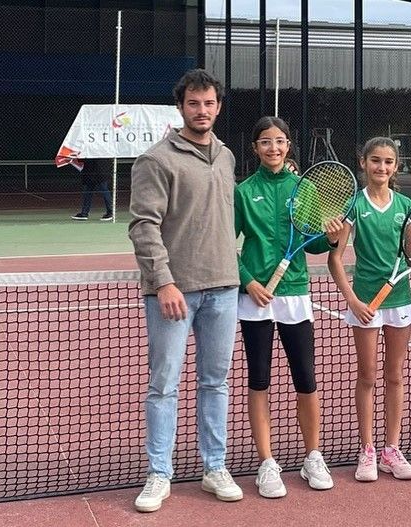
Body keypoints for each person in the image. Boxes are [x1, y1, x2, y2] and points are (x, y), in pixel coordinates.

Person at [129, 69, 242, 513]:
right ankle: (159, 473)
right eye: (193, 103)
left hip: (224, 289)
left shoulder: (228, 156)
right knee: (164, 386)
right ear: (181, 108)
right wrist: (165, 282)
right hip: (172, 295)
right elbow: (143, 226)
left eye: (209, 103)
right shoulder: (156, 160)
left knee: (216, 383)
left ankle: (215, 467)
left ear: (218, 106)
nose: (202, 111)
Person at [328, 137, 411, 482]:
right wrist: (352, 300)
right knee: (367, 376)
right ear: (364, 163)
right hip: (366, 302)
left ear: (396, 167)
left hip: (399, 301)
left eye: (388, 162)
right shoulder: (353, 206)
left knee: (394, 375)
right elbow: (335, 258)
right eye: (375, 161)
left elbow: (410, 257)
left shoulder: (405, 205)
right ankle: (366, 450)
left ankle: (391, 450)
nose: (381, 167)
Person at [235, 116, 342, 498]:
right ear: (256, 148)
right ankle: (266, 463)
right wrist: (248, 281)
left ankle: (313, 455)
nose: (274, 148)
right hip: (255, 298)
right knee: (259, 379)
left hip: (295, 293)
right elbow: (226, 246)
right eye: (266, 142)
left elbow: (311, 243)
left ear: (289, 145)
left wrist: (329, 240)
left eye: (280, 141)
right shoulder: (243, 192)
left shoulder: (305, 187)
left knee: (306, 378)